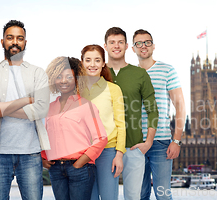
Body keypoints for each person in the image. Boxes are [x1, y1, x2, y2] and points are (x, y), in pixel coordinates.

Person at [0, 20, 50, 200]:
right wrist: (26, 100)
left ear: (25, 43)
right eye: (10, 38)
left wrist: (1, 105)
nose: (15, 42)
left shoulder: (38, 73)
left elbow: (40, 110)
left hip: (30, 153)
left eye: (20, 38)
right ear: (2, 42)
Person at [103, 27, 159, 200]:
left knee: (134, 197)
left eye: (120, 42)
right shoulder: (97, 72)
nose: (116, 46)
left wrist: (148, 142)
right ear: (105, 46)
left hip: (134, 146)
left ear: (127, 46)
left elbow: (152, 110)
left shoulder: (140, 74)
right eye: (112, 42)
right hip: (105, 148)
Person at [42, 56, 108, 200]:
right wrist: (43, 157)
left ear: (77, 79)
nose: (64, 81)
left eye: (69, 77)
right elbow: (44, 136)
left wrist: (80, 162)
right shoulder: (49, 108)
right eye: (59, 77)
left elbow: (101, 138)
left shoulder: (86, 106)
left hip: (80, 168)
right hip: (56, 169)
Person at [132, 29, 186, 200]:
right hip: (134, 143)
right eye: (138, 43)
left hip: (161, 142)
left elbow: (180, 107)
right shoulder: (128, 73)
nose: (143, 46)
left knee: (163, 195)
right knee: (139, 195)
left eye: (147, 42)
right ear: (133, 48)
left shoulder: (167, 70)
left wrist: (176, 141)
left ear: (153, 46)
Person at [80, 45, 126, 200]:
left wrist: (119, 154)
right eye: (88, 60)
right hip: (84, 153)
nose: (92, 64)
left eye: (97, 60)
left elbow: (121, 124)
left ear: (103, 64)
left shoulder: (113, 89)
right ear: (82, 63)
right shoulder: (76, 90)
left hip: (108, 152)